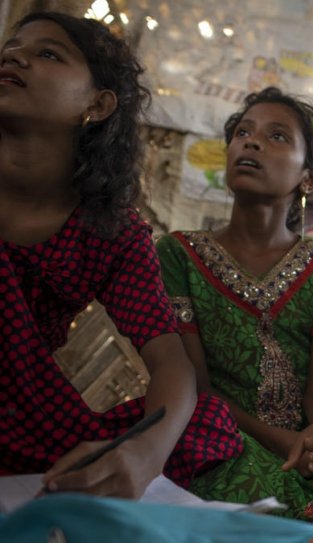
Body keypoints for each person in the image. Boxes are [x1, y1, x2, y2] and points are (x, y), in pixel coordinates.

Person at [0, 12, 240, 498]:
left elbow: (170, 362)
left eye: (48, 53)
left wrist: (146, 452)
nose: (13, 55)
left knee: (203, 423)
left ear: (98, 104)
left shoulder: (108, 231)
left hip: (21, 428)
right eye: (11, 47)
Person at [158, 88, 313, 539]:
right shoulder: (178, 253)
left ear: (309, 178)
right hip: (213, 434)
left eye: (276, 136)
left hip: (300, 444)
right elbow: (197, 390)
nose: (251, 143)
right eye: (243, 133)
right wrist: (289, 443)